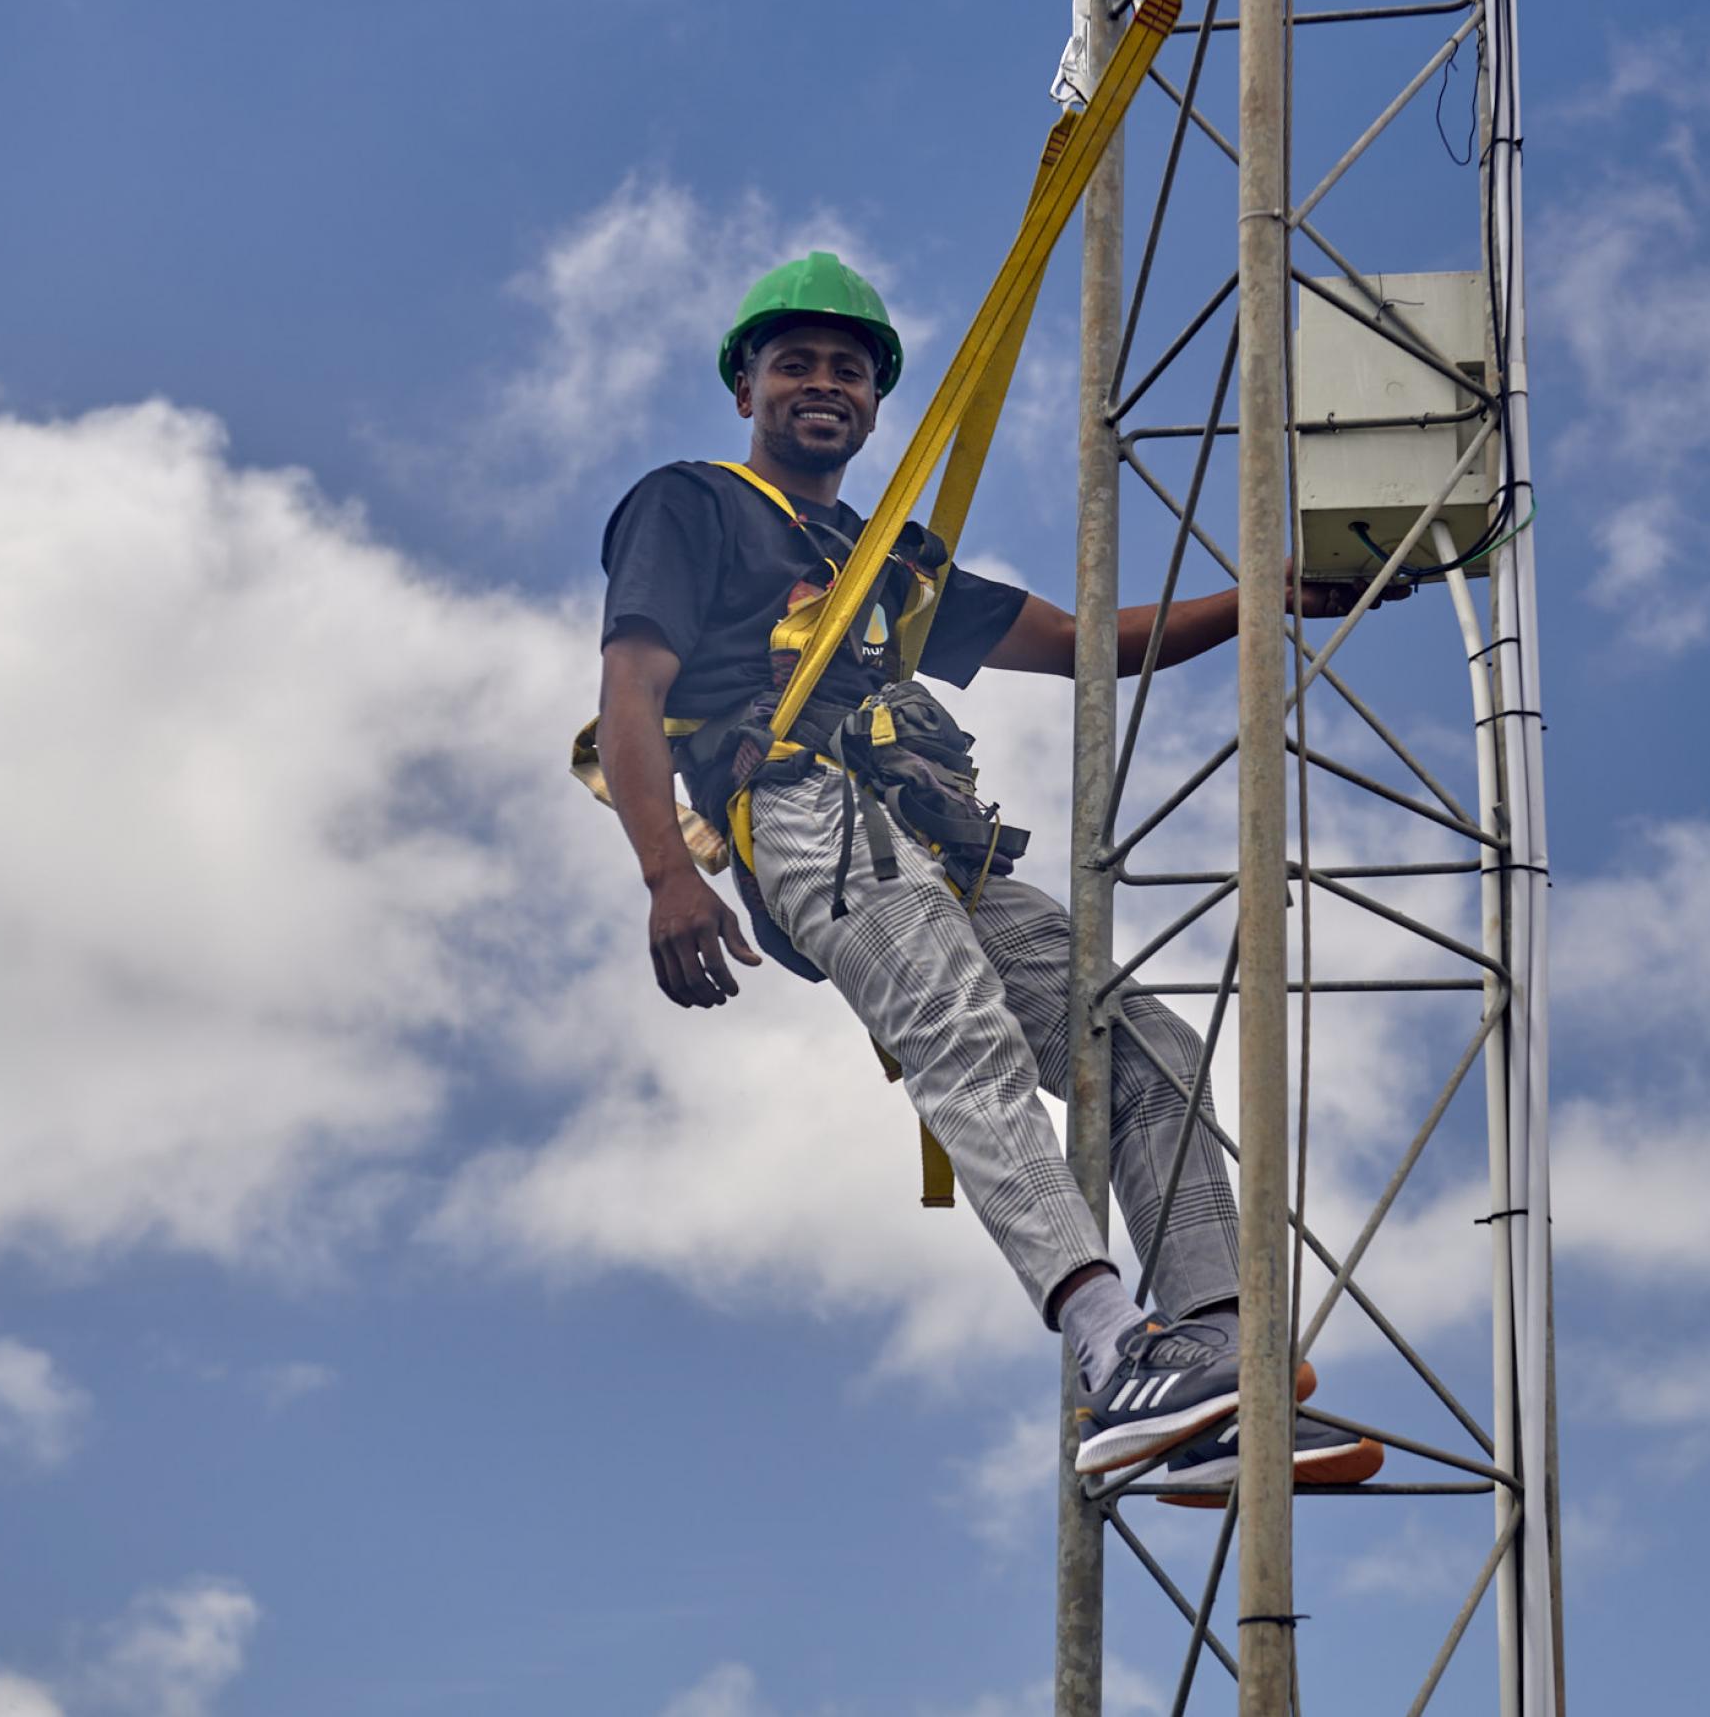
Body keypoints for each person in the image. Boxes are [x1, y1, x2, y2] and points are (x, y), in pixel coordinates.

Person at [592, 251, 1400, 1492]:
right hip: (806, 817)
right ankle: (1107, 1349)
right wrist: (666, 874)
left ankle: (1212, 1359)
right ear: (744, 386)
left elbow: (1086, 648)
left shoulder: (877, 559)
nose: (822, 384)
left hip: (935, 836)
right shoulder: (689, 505)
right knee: (959, 1038)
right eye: (794, 363)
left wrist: (1264, 596)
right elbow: (631, 692)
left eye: (847, 371)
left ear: (873, 403)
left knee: (1141, 1044)